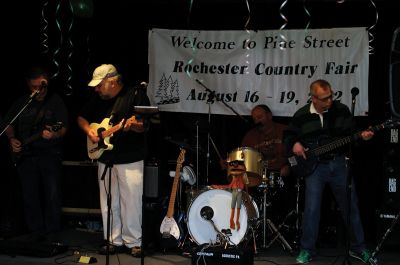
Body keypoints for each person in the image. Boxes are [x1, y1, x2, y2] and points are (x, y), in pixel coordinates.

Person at [283, 79, 374, 264]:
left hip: (339, 164)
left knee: (350, 206)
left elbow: (352, 135)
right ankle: (307, 250)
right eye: (325, 98)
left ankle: (360, 248)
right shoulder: (301, 115)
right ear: (314, 98)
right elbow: (288, 135)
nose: (330, 101)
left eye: (331, 96)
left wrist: (361, 137)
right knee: (312, 209)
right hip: (315, 168)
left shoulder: (341, 111)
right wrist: (295, 144)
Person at [77, 64, 150, 258]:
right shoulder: (98, 99)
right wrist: (89, 131)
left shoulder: (135, 95)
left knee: (131, 200)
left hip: (130, 157)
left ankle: (134, 241)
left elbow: (144, 125)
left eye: (99, 85)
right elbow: (81, 118)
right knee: (108, 200)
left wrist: (131, 127)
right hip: (105, 157)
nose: (96, 89)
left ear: (112, 81)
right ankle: (112, 239)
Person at [3, 66, 68, 236]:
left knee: (52, 195)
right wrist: (11, 139)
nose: (38, 90)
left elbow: (63, 128)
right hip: (25, 155)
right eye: (34, 87)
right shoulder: (22, 102)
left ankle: (53, 233)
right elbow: (8, 124)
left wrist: (53, 135)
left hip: (49, 154)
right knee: (29, 195)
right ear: (28, 85)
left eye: (41, 86)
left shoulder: (55, 101)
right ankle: (35, 232)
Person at [241, 104, 290, 179]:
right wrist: (230, 163)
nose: (257, 122)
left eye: (260, 117)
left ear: (269, 115)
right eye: (255, 119)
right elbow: (244, 158)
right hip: (259, 177)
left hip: (283, 176)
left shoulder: (285, 130)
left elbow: (298, 154)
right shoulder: (250, 136)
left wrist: (289, 166)